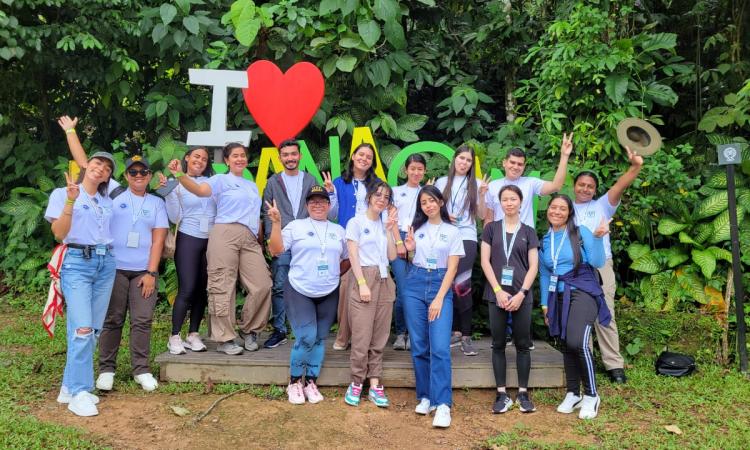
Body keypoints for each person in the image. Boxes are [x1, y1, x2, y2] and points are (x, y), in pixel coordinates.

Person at [167, 143, 271, 355]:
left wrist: (259, 240)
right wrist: (179, 175)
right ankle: (225, 338)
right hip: (224, 232)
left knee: (263, 284)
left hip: (249, 238)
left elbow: (254, 216)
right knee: (222, 285)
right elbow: (199, 190)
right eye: (235, 156)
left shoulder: (251, 185)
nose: (240, 159)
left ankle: (250, 329)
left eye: (243, 155)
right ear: (226, 160)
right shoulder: (219, 179)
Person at [46, 121, 117, 416]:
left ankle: (67, 386)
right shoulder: (64, 193)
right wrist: (71, 203)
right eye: (96, 164)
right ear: (87, 166)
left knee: (93, 330)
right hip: (77, 263)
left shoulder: (106, 195)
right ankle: (79, 391)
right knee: (82, 329)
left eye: (106, 168)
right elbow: (59, 234)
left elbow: (87, 161)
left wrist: (72, 134)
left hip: (105, 263)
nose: (100, 169)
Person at [267, 185, 348, 405]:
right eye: (313, 201)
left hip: (328, 291)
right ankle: (294, 382)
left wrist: (331, 275)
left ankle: (310, 381)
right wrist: (276, 223)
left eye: (322, 201)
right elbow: (275, 250)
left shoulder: (338, 230)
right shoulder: (296, 226)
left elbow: (347, 258)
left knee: (321, 338)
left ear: (329, 205)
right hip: (300, 289)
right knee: (306, 337)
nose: (318, 204)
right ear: (306, 205)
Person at [95, 156, 168, 393]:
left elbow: (158, 240)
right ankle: (106, 369)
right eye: (133, 172)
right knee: (113, 319)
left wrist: (151, 272)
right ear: (125, 176)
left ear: (149, 175)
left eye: (143, 172)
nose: (138, 176)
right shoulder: (113, 197)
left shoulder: (157, 203)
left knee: (142, 320)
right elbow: (89, 168)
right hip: (114, 267)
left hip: (142, 271)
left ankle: (141, 369)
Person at [572, 147, 643, 384]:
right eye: (581, 184)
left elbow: (621, 185)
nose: (585, 189)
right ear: (574, 186)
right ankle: (585, 359)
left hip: (601, 265)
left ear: (595, 189)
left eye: (590, 186)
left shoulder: (603, 205)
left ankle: (614, 365)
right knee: (579, 315)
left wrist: (635, 166)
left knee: (605, 313)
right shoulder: (564, 207)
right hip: (575, 268)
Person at [539, 194, 611, 420]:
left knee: (578, 342)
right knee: (566, 344)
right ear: (548, 210)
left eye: (562, 208)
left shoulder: (581, 233)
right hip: (558, 296)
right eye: (553, 207)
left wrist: (598, 238)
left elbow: (598, 262)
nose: (557, 212)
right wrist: (544, 305)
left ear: (569, 213)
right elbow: (544, 275)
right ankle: (573, 393)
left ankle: (591, 395)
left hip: (583, 291)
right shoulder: (545, 240)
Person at [402, 185, 465, 428]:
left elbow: (453, 268)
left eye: (431, 201)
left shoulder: (452, 231)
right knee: (419, 345)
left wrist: (440, 297)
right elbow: (409, 258)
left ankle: (443, 404)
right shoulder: (416, 229)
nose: (428, 205)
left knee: (439, 347)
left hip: (440, 284)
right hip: (415, 284)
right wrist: (409, 250)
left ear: (440, 202)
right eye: (423, 203)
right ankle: (425, 396)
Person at [261, 138, 329, 349]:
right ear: (280, 158)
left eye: (293, 154)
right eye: (286, 155)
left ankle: (307, 327)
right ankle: (280, 329)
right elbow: (266, 213)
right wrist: (272, 240)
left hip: (306, 242)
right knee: (280, 286)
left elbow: (319, 208)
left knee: (309, 284)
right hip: (282, 241)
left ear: (300, 156)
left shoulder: (310, 180)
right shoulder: (273, 182)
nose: (290, 158)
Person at [480, 185, 539, 414]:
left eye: (513, 199)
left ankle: (523, 393)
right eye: (505, 199)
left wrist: (522, 293)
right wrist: (497, 290)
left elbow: (533, 265)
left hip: (521, 295)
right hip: (496, 296)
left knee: (523, 345)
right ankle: (502, 393)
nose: (509, 203)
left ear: (520, 202)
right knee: (498, 344)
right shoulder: (491, 229)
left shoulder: (529, 231)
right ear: (500, 203)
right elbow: (485, 261)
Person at [343, 181, 398, 407]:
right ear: (369, 197)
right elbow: (353, 255)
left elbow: (393, 256)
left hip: (385, 280)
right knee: (362, 335)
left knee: (379, 335)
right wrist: (362, 283)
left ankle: (375, 383)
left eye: (386, 197)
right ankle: (356, 381)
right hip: (363, 278)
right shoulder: (356, 222)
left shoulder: (384, 224)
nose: (382, 199)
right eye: (378, 195)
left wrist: (391, 231)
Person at [434, 145, 488, 356]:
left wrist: (482, 196)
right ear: (454, 159)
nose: (464, 163)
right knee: (448, 283)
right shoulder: (440, 182)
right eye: (461, 158)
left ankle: (466, 335)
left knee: (462, 284)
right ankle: (454, 332)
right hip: (445, 237)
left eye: (468, 160)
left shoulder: (478, 183)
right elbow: (433, 210)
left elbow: (482, 215)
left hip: (466, 237)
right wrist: (446, 216)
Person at [163, 147, 216, 355]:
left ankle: (193, 333)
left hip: (210, 240)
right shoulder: (175, 183)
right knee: (187, 288)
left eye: (204, 158)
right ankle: (175, 335)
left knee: (202, 289)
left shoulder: (212, 182)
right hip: (188, 237)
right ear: (187, 158)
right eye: (196, 156)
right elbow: (175, 216)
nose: (200, 161)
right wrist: (169, 193)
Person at [329, 143, 377, 350]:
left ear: (372, 162)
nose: (364, 159)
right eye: (361, 154)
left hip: (371, 243)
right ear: (353, 156)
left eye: (369, 157)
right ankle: (342, 337)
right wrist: (331, 193)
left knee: (370, 290)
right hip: (347, 242)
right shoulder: (339, 182)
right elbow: (332, 216)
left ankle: (365, 338)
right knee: (346, 292)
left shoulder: (377, 185)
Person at [483, 134, 574, 227]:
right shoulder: (492, 186)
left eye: (520, 164)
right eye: (512, 162)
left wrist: (564, 155)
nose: (515, 167)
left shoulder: (531, 183)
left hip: (525, 238)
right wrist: (487, 240)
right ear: (504, 163)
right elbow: (489, 218)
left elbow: (556, 186)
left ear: (524, 166)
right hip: (500, 238)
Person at [390, 154, 427, 350]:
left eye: (420, 169)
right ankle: (401, 333)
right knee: (403, 289)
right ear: (406, 170)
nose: (416, 172)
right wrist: (398, 242)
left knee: (417, 289)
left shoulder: (426, 193)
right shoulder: (395, 192)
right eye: (412, 168)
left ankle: (415, 333)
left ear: (424, 171)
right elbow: (392, 219)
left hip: (420, 239)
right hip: (398, 238)